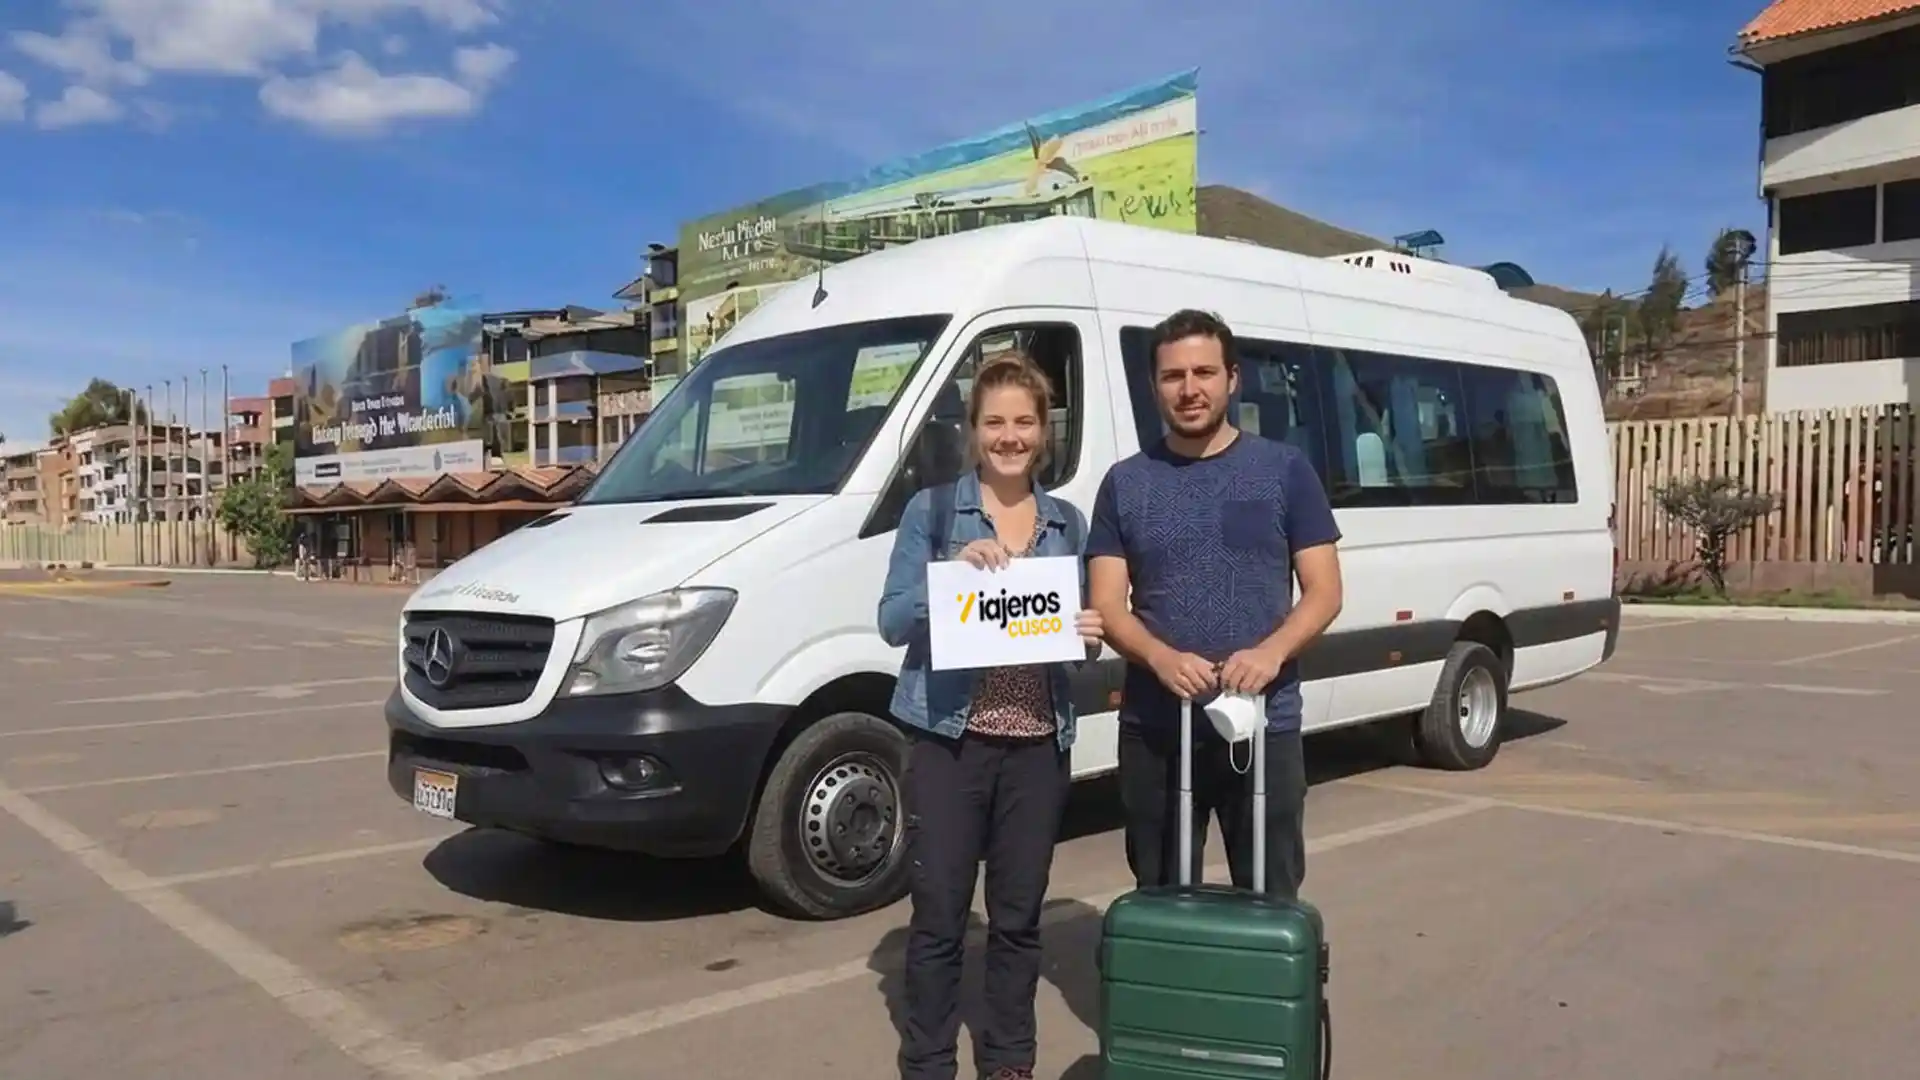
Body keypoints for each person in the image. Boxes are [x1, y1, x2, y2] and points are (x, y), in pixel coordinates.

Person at [877, 351, 1105, 1080]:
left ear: (1045, 432)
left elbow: (1074, 639)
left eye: (1025, 422)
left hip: (1038, 746)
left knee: (1016, 919)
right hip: (951, 742)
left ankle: (1009, 1058)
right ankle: (929, 1060)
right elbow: (890, 621)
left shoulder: (1067, 523)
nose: (1011, 435)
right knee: (940, 915)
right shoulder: (934, 512)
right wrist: (946, 582)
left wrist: (1089, 635)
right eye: (996, 421)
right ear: (975, 430)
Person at [1085, 308, 1344, 899]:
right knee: (1162, 896)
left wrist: (1271, 653)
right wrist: (1160, 658)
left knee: (1270, 894)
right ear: (1153, 387)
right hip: (1156, 729)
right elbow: (1107, 602)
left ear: (1233, 378)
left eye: (1204, 372)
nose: (1189, 389)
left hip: (1261, 726)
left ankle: (1273, 993)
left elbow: (1325, 591)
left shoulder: (1285, 471)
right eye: (1173, 376)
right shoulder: (1126, 483)